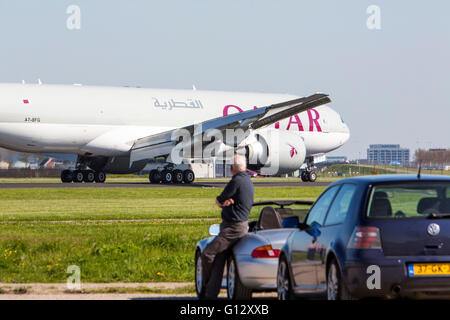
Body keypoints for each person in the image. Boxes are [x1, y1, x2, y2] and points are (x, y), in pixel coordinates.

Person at [200, 154, 254, 299]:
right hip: (239, 226)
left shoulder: (236, 181)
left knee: (207, 253)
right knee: (219, 259)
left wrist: (222, 203)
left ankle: (204, 284)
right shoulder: (247, 180)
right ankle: (209, 294)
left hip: (233, 228)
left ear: (231, 168)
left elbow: (219, 199)